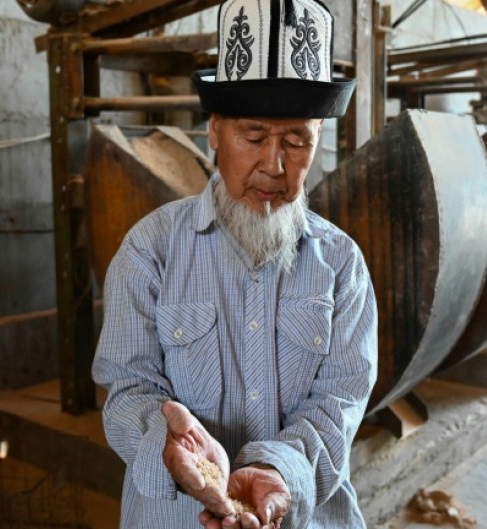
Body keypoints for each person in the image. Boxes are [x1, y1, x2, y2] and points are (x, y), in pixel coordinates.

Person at [93, 0, 378, 527]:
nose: (274, 165)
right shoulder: (149, 250)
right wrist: (172, 449)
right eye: (253, 137)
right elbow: (127, 389)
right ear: (215, 133)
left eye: (297, 141)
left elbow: (340, 399)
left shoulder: (341, 264)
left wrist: (276, 472)